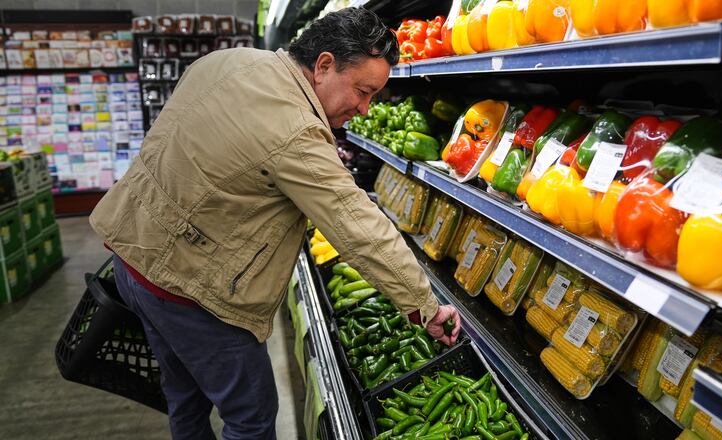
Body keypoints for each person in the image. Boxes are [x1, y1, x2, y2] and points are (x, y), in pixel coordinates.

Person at [89, 7, 461, 440]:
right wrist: (425, 306)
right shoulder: (295, 131)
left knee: (185, 400)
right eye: (362, 91)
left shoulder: (230, 61)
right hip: (192, 292)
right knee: (251, 418)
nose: (364, 108)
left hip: (135, 256)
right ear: (323, 65)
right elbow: (358, 227)